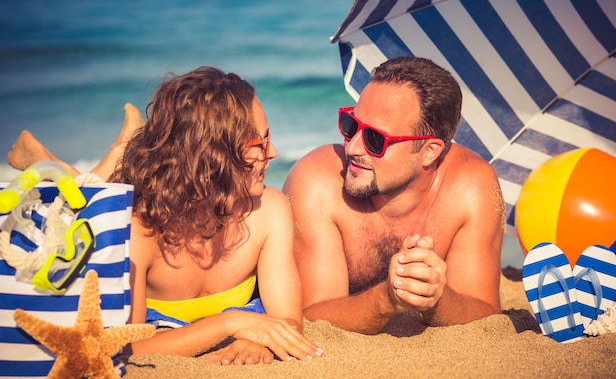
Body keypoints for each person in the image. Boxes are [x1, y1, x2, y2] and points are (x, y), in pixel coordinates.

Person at [7, 66, 323, 364]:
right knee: (86, 209)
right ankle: (47, 160)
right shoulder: (138, 229)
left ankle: (122, 148)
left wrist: (257, 339)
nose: (274, 152)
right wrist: (229, 323)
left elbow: (287, 320)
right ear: (213, 156)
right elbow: (128, 346)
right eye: (261, 141)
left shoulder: (269, 210)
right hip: (138, 225)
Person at [282, 56, 505, 334]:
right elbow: (311, 312)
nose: (352, 148)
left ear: (429, 151)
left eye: (375, 139)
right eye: (351, 125)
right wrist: (386, 299)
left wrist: (437, 300)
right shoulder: (316, 183)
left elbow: (485, 312)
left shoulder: (471, 187)